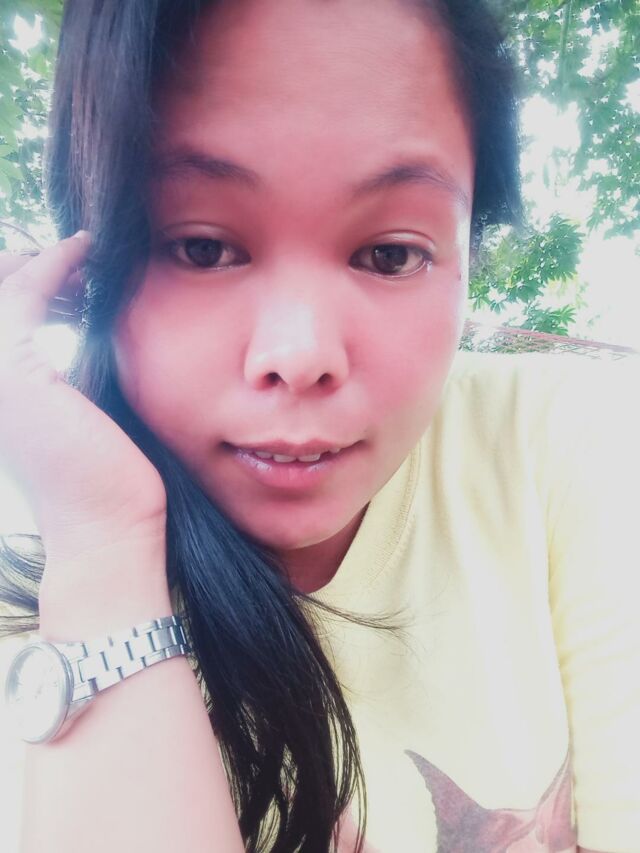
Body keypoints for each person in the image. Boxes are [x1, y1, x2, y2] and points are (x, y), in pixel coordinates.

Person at [0, 0, 638, 850]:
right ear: (86, 266)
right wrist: (103, 550)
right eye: (201, 247)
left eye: (390, 254)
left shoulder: (574, 444)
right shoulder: (30, 617)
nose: (300, 356)